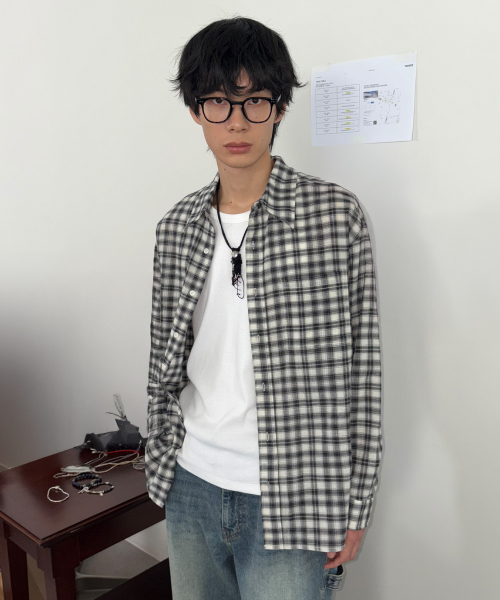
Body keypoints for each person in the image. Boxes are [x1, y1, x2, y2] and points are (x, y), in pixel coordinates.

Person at [145, 16, 383, 600]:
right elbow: (162, 365)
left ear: (280, 108)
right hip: (192, 483)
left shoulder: (334, 217)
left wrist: (357, 504)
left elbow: (364, 374)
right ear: (195, 111)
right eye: (218, 102)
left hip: (298, 492)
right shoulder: (176, 227)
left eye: (255, 102)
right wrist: (162, 459)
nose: (237, 122)